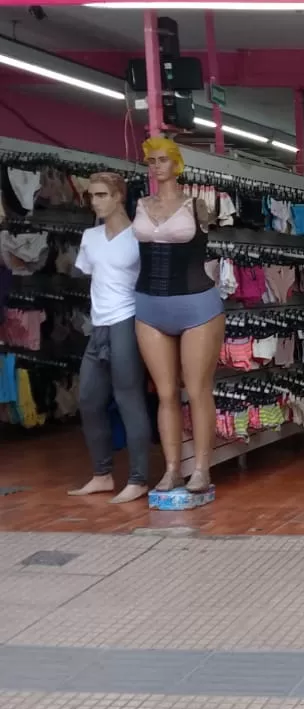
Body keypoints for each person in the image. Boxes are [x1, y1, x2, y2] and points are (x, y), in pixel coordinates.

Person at [134, 136, 224, 493]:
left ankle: (201, 468)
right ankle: (172, 469)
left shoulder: (198, 205)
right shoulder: (139, 204)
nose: (155, 166)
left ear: (176, 164)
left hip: (197, 305)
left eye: (161, 160)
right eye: (150, 161)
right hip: (149, 305)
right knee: (166, 392)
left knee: (199, 389)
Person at [67, 172, 151, 504]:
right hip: (98, 326)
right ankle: (102, 475)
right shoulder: (90, 236)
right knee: (88, 399)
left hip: (126, 321)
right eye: (91, 196)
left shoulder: (139, 237)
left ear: (118, 196)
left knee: (129, 398)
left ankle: (139, 478)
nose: (95, 201)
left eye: (101, 195)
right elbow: (94, 275)